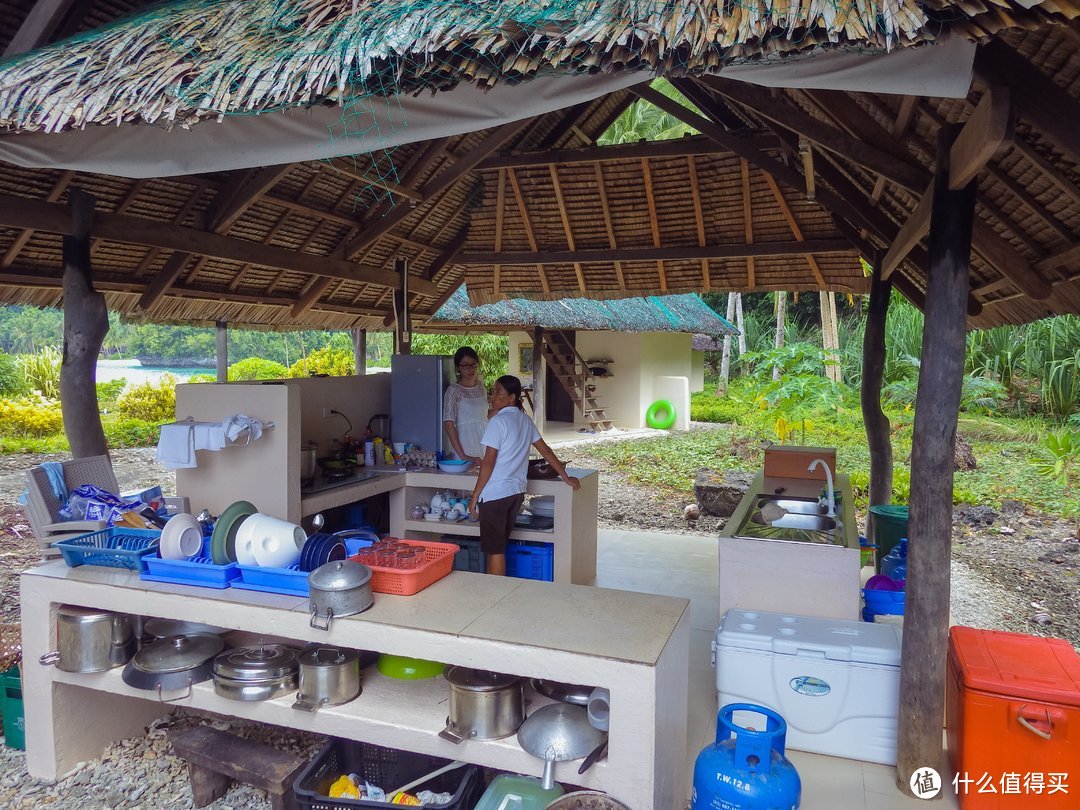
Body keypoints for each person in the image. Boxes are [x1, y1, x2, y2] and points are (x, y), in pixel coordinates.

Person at [469, 375, 579, 576]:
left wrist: (475, 496)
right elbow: (545, 450)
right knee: (500, 547)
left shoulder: (498, 422)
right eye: (493, 391)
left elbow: (488, 462)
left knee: (495, 551)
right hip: (516, 493)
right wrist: (565, 476)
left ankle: (495, 596)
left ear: (512, 398)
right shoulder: (524, 420)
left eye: (498, 392)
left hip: (495, 495)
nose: (493, 396)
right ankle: (497, 594)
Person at [443, 346, 489, 464]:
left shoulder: (481, 387)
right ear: (458, 367)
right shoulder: (453, 390)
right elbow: (448, 424)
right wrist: (462, 455)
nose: (471, 369)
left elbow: (485, 416)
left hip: (484, 442)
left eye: (474, 364)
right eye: (465, 365)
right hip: (464, 445)